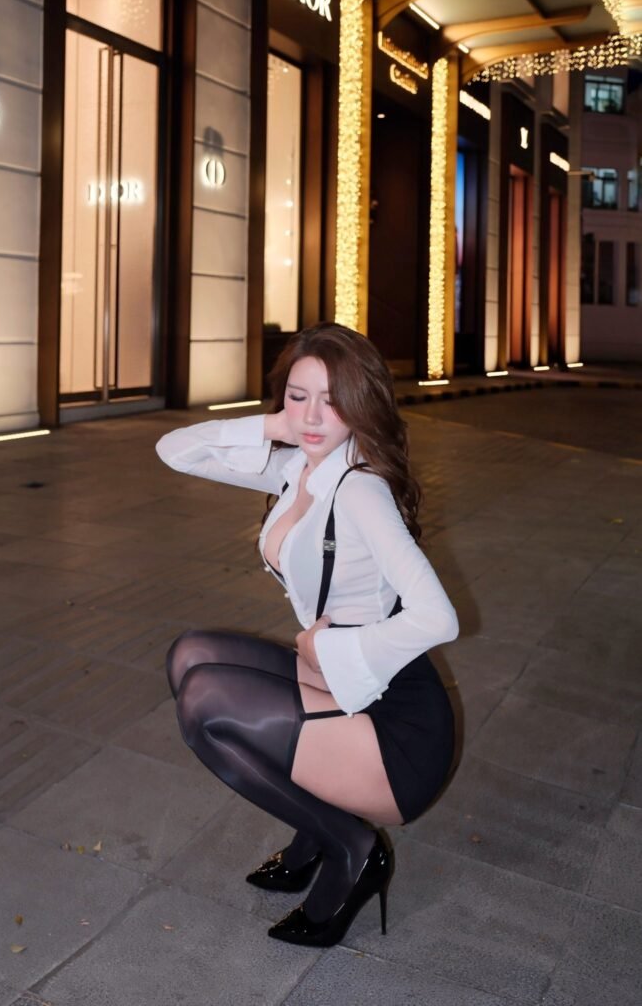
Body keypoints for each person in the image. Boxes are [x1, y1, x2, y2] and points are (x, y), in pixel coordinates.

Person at [155, 322, 458, 948]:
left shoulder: (361, 489)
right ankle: (314, 835)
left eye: (333, 399)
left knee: (205, 704)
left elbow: (439, 618)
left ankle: (349, 847)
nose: (314, 417)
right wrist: (274, 426)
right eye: (299, 396)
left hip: (397, 731)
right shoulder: (300, 468)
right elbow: (174, 449)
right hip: (347, 684)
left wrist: (330, 647)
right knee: (189, 656)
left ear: (361, 403)